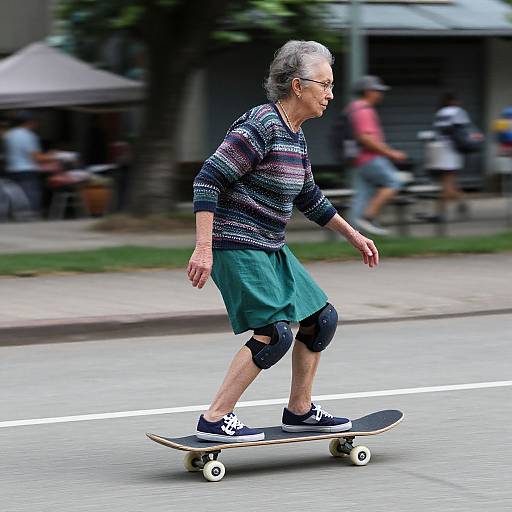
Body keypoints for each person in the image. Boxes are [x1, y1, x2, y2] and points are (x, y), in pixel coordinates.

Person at [188, 40, 379, 443]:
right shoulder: (261, 126)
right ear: (297, 85)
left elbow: (310, 197)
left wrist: (354, 235)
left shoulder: (295, 135)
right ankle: (215, 418)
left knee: (320, 319)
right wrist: (203, 248)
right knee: (274, 333)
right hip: (236, 242)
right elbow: (208, 179)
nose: (330, 94)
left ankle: (301, 411)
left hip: (270, 243)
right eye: (324, 85)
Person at [347, 75, 407, 236]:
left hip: (359, 160)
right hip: (370, 158)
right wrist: (391, 153)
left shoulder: (353, 108)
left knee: (362, 195)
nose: (380, 94)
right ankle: (369, 217)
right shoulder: (364, 110)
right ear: (368, 92)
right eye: (377, 90)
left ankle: (351, 234)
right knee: (394, 182)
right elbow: (366, 138)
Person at [2, 111, 56, 216]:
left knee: (15, 195)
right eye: (35, 122)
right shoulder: (29, 136)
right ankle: (29, 216)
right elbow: (37, 157)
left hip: (11, 170)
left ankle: (15, 215)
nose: (36, 124)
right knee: (30, 196)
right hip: (27, 171)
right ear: (29, 122)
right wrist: (54, 156)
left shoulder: (8, 135)